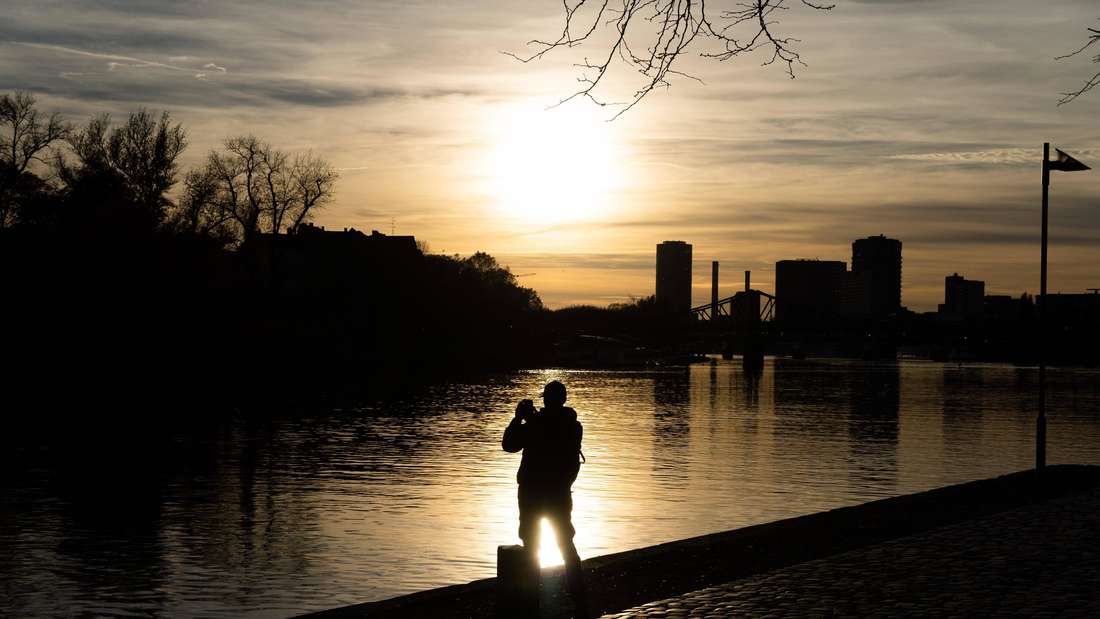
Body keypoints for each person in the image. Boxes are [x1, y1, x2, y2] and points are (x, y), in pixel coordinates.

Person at [502, 380, 589, 617]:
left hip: (532, 495)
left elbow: (508, 445)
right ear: (564, 400)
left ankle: (532, 600)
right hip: (560, 495)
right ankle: (580, 600)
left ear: (546, 400)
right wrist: (530, 419)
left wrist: (519, 418)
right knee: (566, 545)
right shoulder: (574, 425)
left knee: (532, 547)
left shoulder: (536, 425)